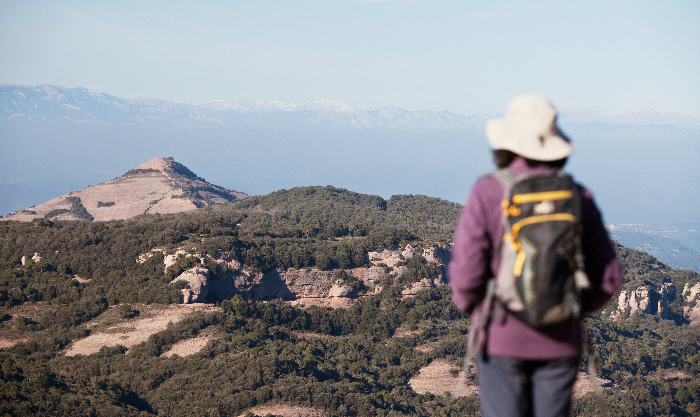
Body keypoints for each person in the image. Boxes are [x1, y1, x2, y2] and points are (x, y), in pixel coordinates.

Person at [447, 95, 623, 417]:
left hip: (500, 338)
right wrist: (569, 309)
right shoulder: (577, 196)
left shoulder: (488, 191)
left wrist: (480, 311)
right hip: (560, 341)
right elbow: (609, 279)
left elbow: (466, 275)